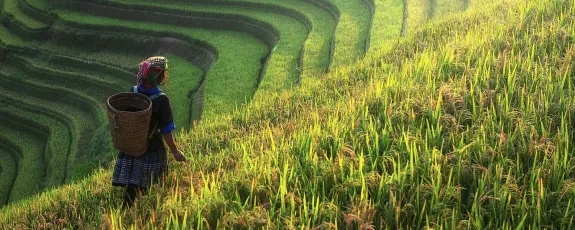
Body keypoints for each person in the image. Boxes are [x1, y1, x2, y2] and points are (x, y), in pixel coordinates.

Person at [112, 56, 186, 208]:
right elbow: (166, 131)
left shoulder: (133, 92)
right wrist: (176, 152)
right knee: (145, 186)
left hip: (132, 145)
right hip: (151, 148)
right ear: (160, 76)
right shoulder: (161, 100)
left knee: (133, 183)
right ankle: (132, 212)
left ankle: (127, 210)